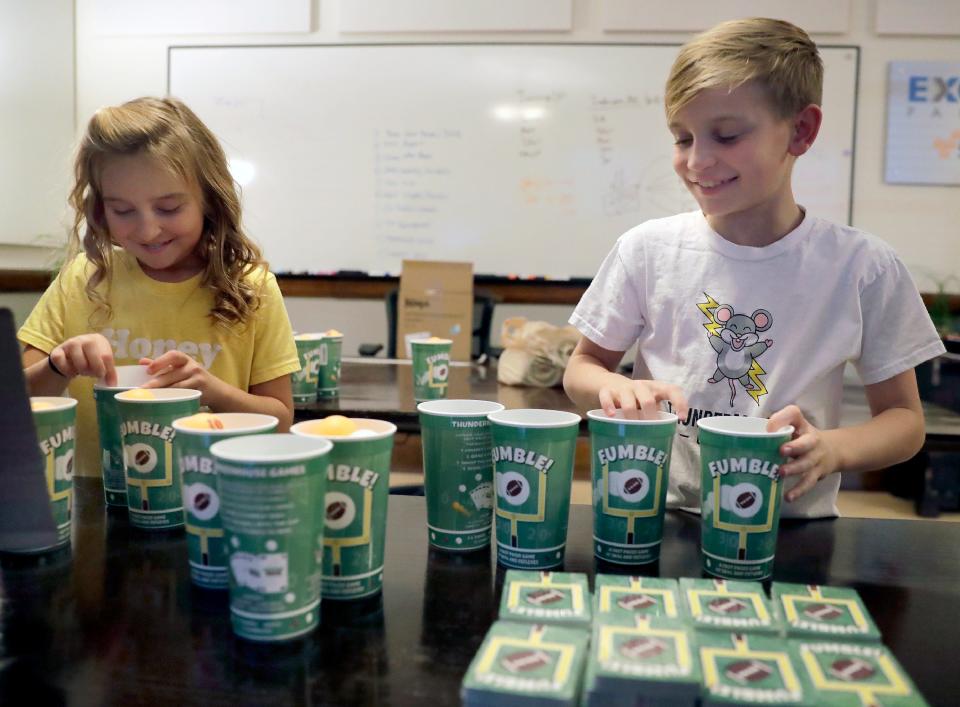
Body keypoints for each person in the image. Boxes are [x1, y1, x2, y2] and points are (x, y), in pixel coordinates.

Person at [563, 18, 945, 518]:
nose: (697, 161)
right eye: (682, 138)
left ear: (801, 131)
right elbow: (581, 368)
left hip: (787, 528)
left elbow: (904, 421)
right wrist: (616, 387)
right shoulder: (647, 250)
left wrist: (833, 448)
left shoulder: (862, 266)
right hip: (655, 514)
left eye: (726, 136)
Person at [19, 96, 300, 478]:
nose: (148, 230)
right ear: (101, 208)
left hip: (216, 504)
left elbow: (281, 422)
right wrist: (59, 364)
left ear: (209, 199)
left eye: (169, 209)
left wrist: (210, 389)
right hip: (96, 509)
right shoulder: (83, 278)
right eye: (123, 211)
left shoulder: (250, 287)